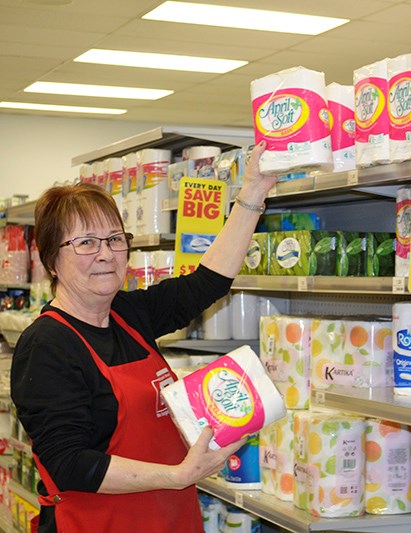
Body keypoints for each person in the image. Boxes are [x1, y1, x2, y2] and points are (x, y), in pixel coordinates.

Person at [10, 141, 276, 532]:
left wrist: (252, 192)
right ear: (52, 259)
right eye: (85, 242)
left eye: (115, 239)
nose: (106, 254)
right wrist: (175, 476)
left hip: (170, 518)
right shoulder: (47, 345)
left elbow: (207, 283)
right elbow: (68, 463)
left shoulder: (130, 314)